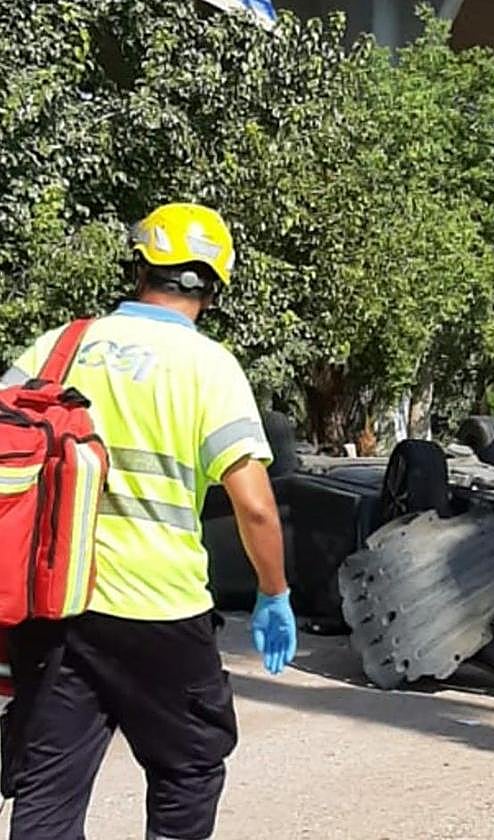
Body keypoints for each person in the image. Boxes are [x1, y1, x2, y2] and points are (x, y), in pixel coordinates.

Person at [0, 203, 295, 839]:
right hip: (160, 609)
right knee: (187, 768)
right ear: (212, 285)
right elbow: (254, 504)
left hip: (54, 602)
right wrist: (275, 593)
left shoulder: (58, 346)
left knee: (48, 784)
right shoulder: (207, 367)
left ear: (140, 267)